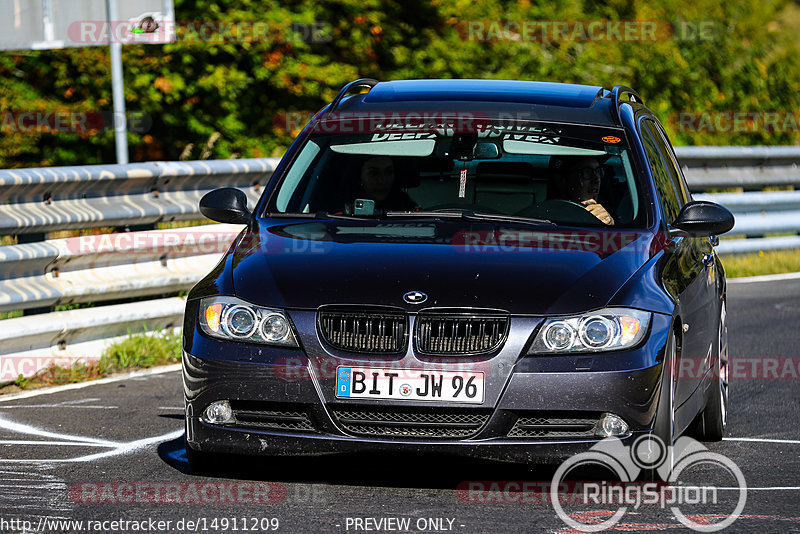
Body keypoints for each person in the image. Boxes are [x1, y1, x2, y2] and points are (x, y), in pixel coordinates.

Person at [350, 156, 416, 213]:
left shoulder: (408, 209)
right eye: (373, 173)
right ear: (360, 177)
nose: (382, 181)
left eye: (389, 172)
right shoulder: (343, 210)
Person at [561, 157, 615, 225]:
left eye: (598, 171)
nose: (597, 180)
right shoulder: (549, 217)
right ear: (567, 180)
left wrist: (609, 225)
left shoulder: (609, 214)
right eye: (587, 172)